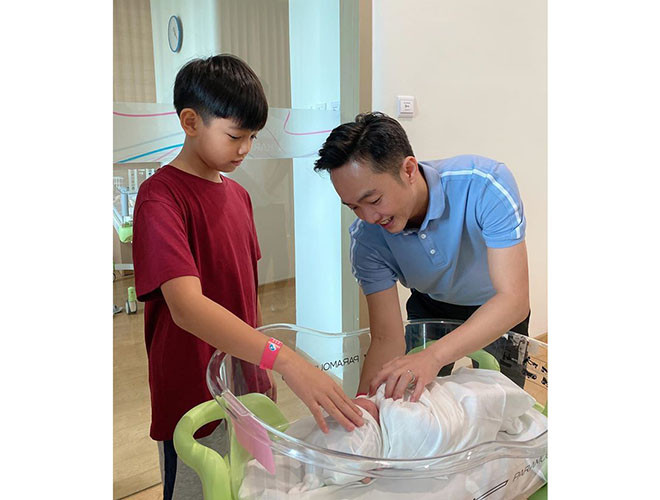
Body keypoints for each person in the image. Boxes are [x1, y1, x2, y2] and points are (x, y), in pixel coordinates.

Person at [132, 54, 363, 500]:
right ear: (190, 121)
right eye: (235, 136)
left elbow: (244, 294)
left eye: (252, 137)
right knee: (200, 488)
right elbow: (187, 308)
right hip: (192, 393)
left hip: (245, 384)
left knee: (247, 486)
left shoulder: (238, 196)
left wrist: (259, 365)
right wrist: (284, 359)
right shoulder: (160, 198)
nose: (244, 150)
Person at [313, 112, 531, 402]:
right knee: (418, 403)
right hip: (430, 308)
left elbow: (514, 300)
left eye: (374, 200)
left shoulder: (485, 185)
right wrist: (365, 405)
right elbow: (386, 337)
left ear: (409, 170)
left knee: (506, 404)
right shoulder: (366, 240)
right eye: (353, 207)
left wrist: (435, 356)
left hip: (498, 307)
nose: (368, 217)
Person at [295, 368, 537, 491]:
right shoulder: (400, 422)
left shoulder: (383, 423)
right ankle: (510, 415)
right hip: (452, 415)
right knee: (480, 400)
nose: (358, 402)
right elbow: (439, 432)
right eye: (361, 410)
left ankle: (507, 412)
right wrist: (388, 401)